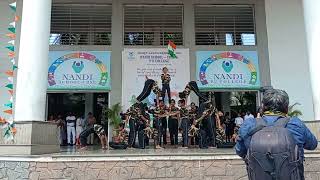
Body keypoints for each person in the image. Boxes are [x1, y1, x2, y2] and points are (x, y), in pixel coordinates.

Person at [235, 89, 318, 180]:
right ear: (286, 108)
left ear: (262, 107)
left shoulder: (249, 124)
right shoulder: (295, 124)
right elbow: (313, 145)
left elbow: (239, 150)